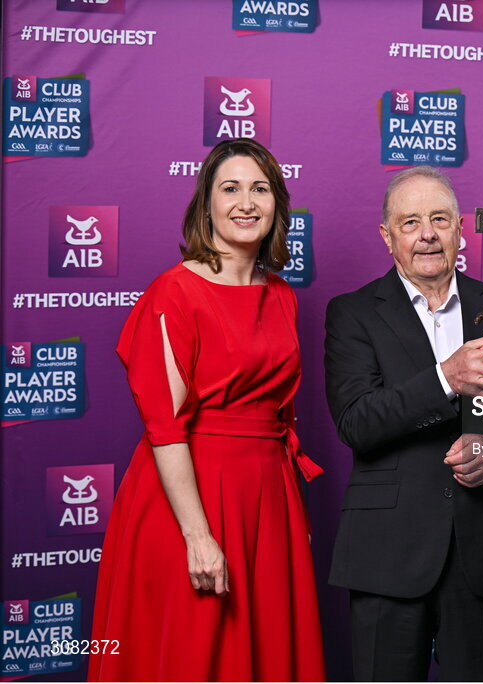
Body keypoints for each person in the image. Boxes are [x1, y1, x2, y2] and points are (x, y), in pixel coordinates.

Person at [89, 138, 325, 682]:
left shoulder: (282, 294)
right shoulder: (174, 293)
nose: (246, 202)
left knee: (265, 652)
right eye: (231, 188)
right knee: (192, 654)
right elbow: (165, 429)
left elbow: (280, 417)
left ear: (276, 205)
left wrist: (294, 515)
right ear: (207, 206)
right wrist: (198, 536)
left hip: (268, 497)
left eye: (260, 189)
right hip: (190, 498)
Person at [324, 166, 483, 681]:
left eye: (439, 219)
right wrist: (447, 378)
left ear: (461, 228)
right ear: (387, 236)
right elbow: (357, 421)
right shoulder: (353, 313)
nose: (426, 234)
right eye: (410, 222)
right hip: (388, 553)